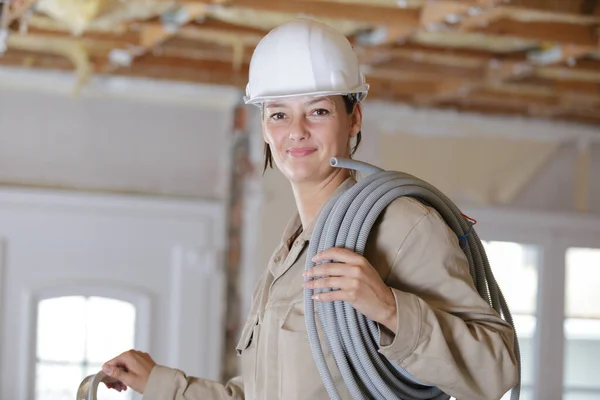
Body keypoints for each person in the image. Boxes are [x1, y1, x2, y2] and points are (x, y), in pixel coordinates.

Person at [101, 18, 518, 400]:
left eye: (318, 111)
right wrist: (159, 382)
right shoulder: (290, 254)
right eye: (279, 114)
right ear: (265, 129)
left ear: (354, 117)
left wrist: (388, 306)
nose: (296, 131)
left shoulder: (402, 224)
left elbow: (495, 372)